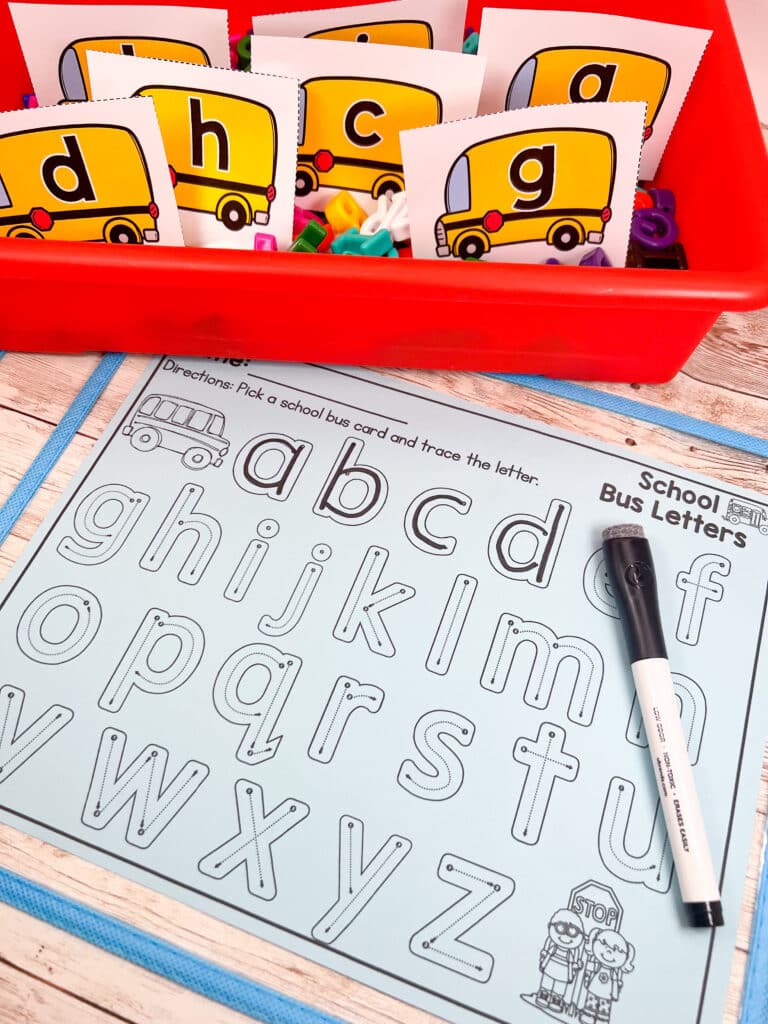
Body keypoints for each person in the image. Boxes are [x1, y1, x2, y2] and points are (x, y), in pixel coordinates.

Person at [579, 927, 635, 1024]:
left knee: (604, 1006)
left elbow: (615, 982)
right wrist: (587, 978)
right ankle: (588, 1015)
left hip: (606, 992)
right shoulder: (596, 964)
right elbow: (590, 971)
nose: (609, 952)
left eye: (617, 951)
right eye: (604, 944)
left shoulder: (614, 973)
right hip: (594, 986)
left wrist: (615, 991)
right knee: (591, 1001)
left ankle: (601, 1019)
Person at [536, 908, 586, 1014]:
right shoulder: (552, 947)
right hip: (550, 967)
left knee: (560, 987)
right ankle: (543, 995)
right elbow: (545, 953)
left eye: (572, 932)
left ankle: (556, 1000)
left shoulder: (572, 954)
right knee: (547, 983)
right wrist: (544, 955)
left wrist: (577, 965)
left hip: (563, 972)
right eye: (561, 928)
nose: (566, 935)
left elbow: (573, 964)